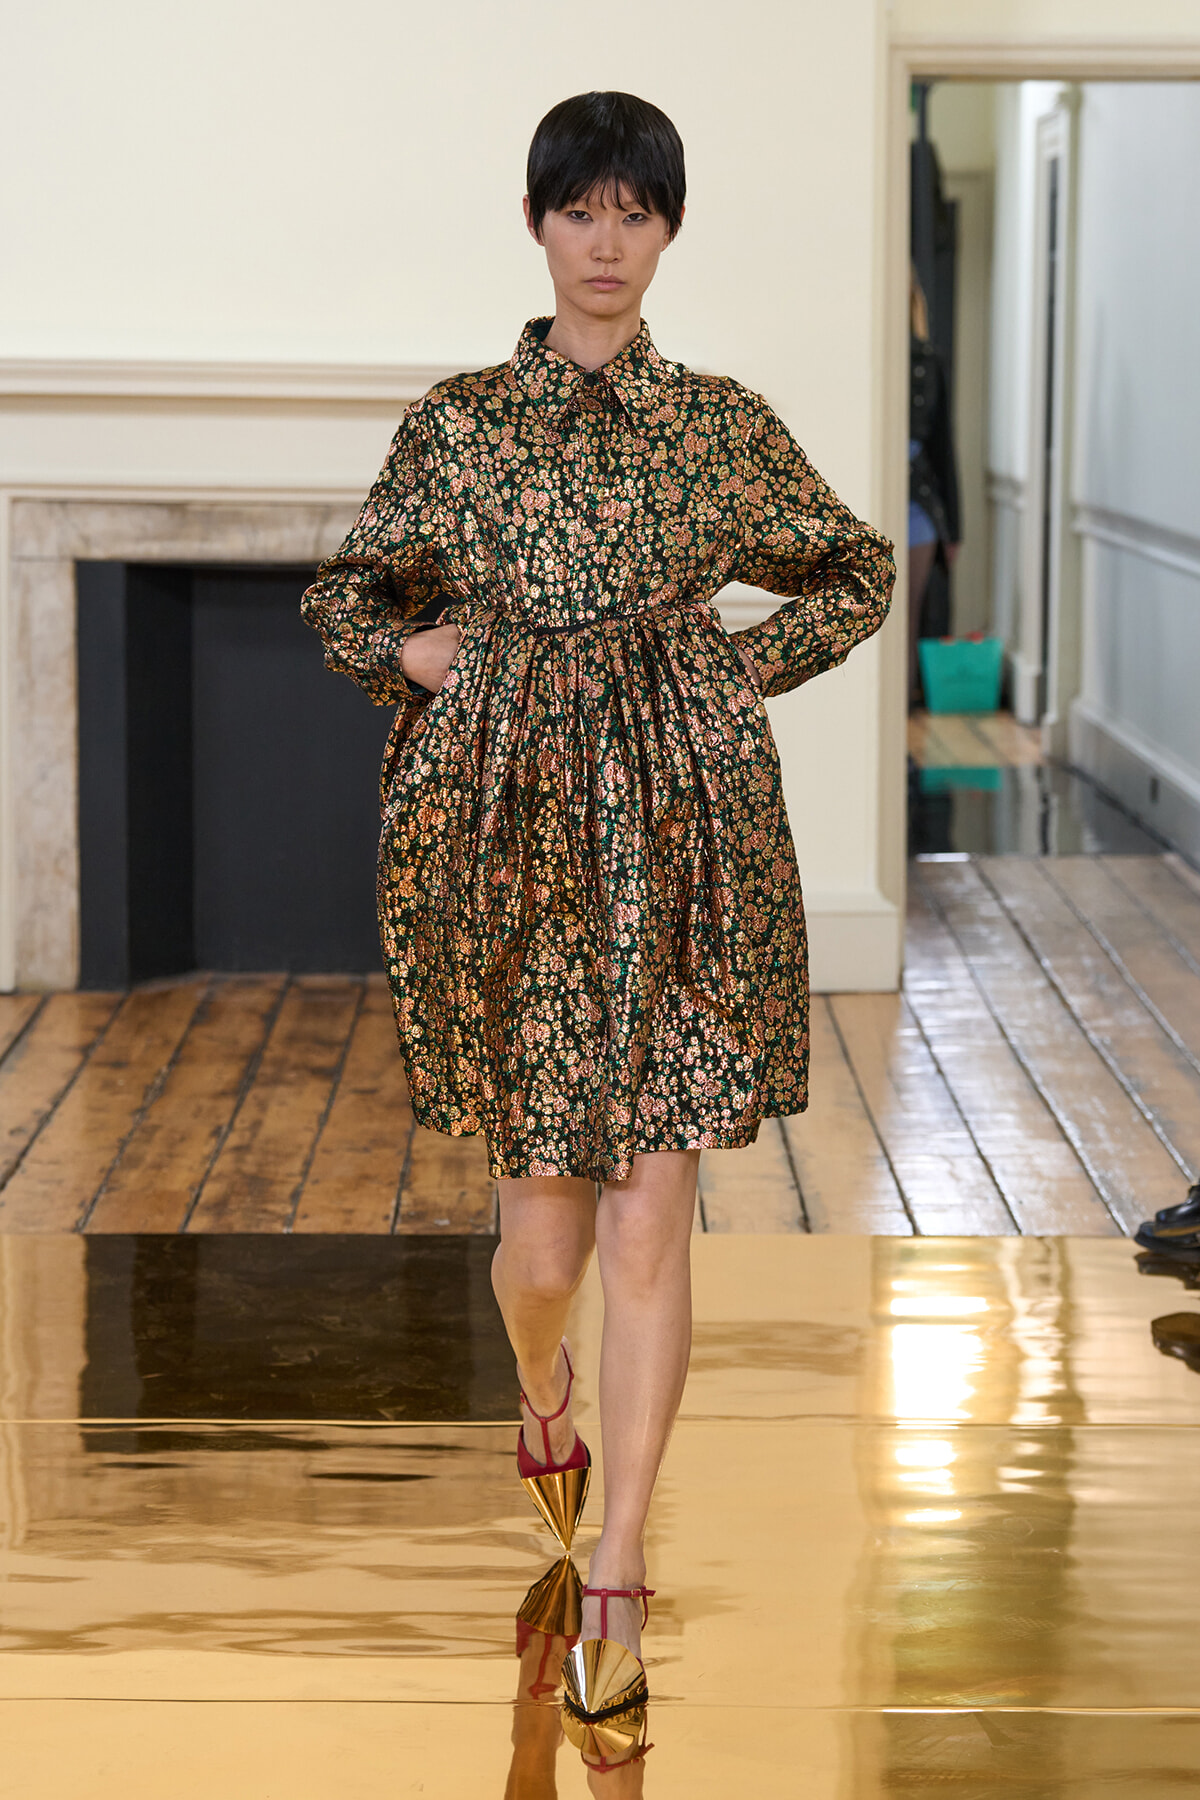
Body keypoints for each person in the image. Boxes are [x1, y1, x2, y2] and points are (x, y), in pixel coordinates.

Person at [301, 89, 894, 1758]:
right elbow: (350, 592)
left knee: (653, 1230)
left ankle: (621, 1568)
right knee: (546, 1255)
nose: (611, 240)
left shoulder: (720, 428)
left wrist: (735, 667)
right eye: (585, 211)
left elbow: (851, 568)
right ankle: (540, 1392)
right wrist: (414, 657)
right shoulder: (460, 426)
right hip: (510, 856)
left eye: (639, 212)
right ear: (541, 224)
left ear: (668, 232)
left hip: (688, 850)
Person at [908, 269, 960, 709]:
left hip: (919, 505)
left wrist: (954, 529)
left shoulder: (929, 360)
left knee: (908, 619)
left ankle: (902, 714)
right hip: (876, 502)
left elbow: (944, 447)